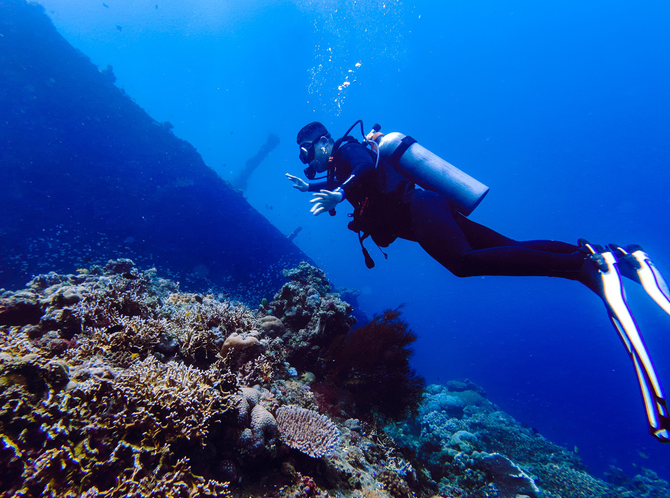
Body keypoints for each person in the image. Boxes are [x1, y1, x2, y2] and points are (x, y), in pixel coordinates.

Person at [287, 120, 670, 442]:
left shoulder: (349, 150)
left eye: (308, 150)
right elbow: (362, 182)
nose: (308, 158)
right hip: (424, 212)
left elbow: (367, 172)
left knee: (463, 262)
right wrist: (318, 187)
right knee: (509, 247)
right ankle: (602, 256)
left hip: (419, 209)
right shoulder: (340, 168)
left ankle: (584, 269)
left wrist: (338, 191)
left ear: (323, 142)